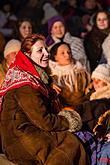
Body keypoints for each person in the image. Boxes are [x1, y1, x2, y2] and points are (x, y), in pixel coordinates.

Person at [0, 34, 89, 165]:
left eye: (46, 49)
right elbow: (44, 120)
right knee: (70, 143)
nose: (46, 54)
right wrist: (68, 121)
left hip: (26, 133)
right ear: (27, 55)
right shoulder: (25, 84)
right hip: (21, 138)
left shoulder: (32, 76)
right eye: (40, 50)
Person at [49, 42, 90, 107]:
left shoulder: (81, 71)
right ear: (55, 57)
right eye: (62, 53)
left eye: (69, 52)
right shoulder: (51, 76)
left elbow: (89, 90)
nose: (67, 55)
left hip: (85, 107)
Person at [74, 63, 110, 132]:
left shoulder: (106, 99)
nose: (95, 83)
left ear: (107, 82)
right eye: (93, 80)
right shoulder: (92, 95)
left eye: (99, 80)